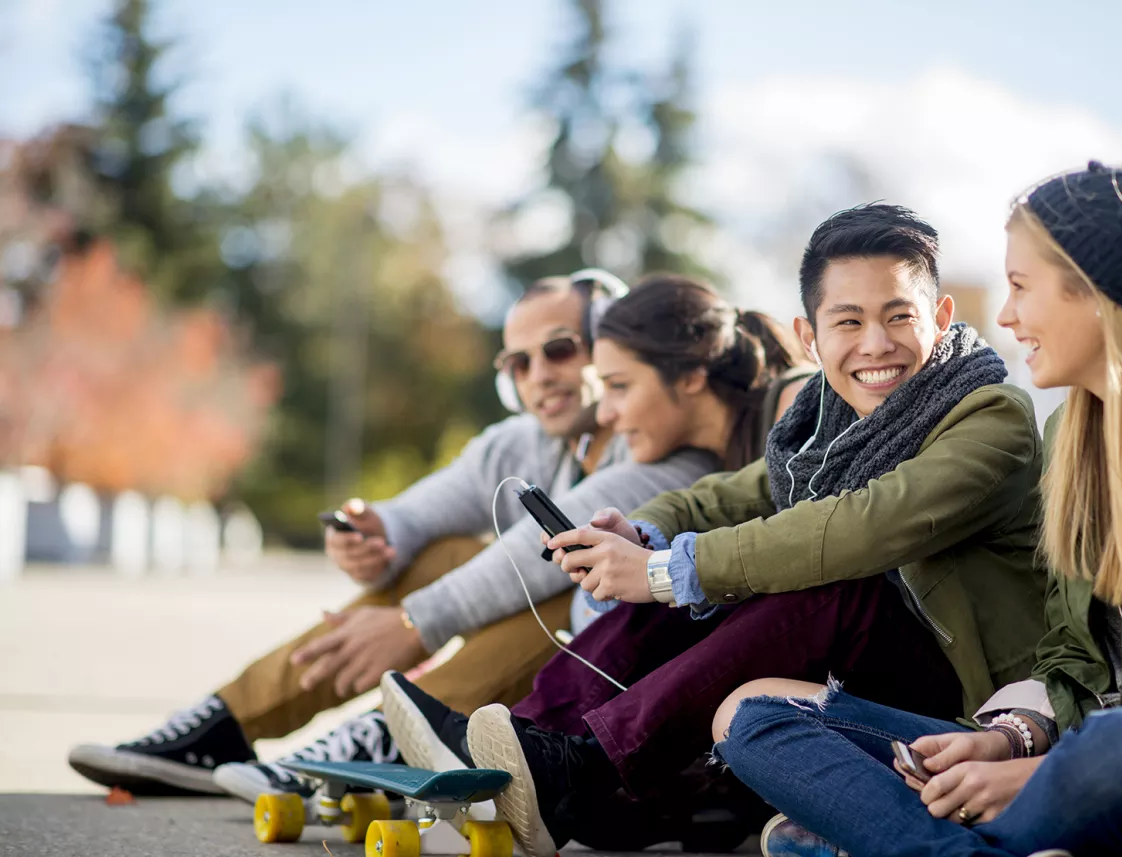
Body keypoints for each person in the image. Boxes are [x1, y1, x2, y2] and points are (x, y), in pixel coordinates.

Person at [713, 162, 1122, 857]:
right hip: (1082, 762)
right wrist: (1002, 740)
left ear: (1096, 293)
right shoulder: (1073, 434)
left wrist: (1040, 774)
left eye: (1022, 286)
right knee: (755, 713)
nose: (1005, 314)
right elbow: (1071, 662)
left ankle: (899, 838)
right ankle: (959, 841)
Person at [382, 204, 1048, 857]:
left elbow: (860, 527)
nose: (876, 343)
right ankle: (528, 741)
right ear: (811, 335)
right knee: (695, 566)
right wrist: (645, 531)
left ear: (940, 316)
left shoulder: (992, 416)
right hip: (870, 672)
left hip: (972, 711)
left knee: (815, 581)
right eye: (849, 320)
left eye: (899, 315)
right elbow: (731, 494)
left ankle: (579, 769)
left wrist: (664, 571)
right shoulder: (828, 419)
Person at [66, 270, 718, 798]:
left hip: (645, 683)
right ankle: (229, 722)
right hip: (588, 660)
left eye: (558, 349)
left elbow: (540, 549)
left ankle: (387, 737)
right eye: (516, 363)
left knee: (551, 576)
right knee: (440, 552)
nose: (537, 375)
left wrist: (413, 625)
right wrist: (376, 535)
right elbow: (419, 511)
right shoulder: (523, 441)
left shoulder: (663, 445)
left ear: (607, 347)